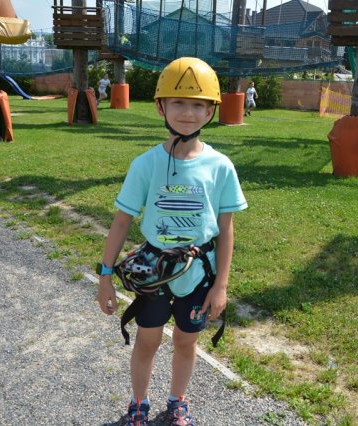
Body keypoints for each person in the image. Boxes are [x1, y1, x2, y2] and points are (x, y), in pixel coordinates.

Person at [95, 57, 247, 425]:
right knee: (148, 341)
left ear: (211, 110)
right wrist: (104, 276)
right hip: (155, 273)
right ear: (160, 106)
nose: (188, 113)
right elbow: (120, 223)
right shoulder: (144, 164)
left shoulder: (221, 166)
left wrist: (221, 286)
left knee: (185, 341)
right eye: (178, 102)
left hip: (199, 276)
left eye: (198, 104)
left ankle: (178, 400)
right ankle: (138, 403)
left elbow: (226, 230)